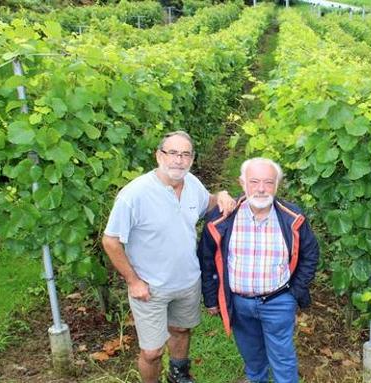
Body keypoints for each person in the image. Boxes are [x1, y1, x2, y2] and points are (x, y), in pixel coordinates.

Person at [102, 130, 236, 383]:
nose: (178, 160)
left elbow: (211, 202)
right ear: (158, 156)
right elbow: (110, 240)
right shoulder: (134, 194)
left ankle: (178, 375)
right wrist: (133, 281)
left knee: (181, 329)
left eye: (185, 154)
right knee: (152, 352)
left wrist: (224, 195)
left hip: (187, 281)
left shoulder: (192, 184)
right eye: (172, 153)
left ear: (192, 159)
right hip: (150, 287)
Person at [199, 157, 319, 383]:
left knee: (283, 359)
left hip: (278, 301)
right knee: (252, 357)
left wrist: (294, 292)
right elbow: (206, 260)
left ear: (277, 185)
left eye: (268, 182)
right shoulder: (222, 218)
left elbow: (310, 254)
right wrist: (211, 297)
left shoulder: (292, 217)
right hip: (239, 303)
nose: (261, 189)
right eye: (254, 182)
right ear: (242, 183)